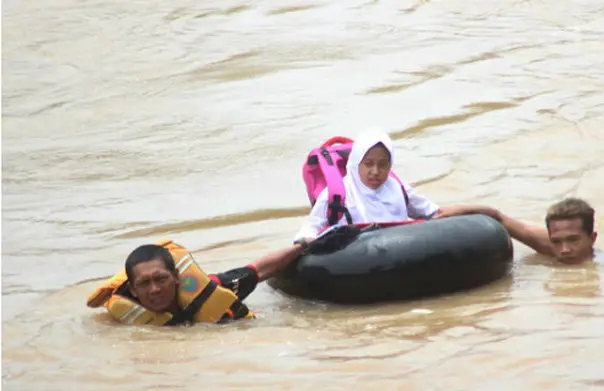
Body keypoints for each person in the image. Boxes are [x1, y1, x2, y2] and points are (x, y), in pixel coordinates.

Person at [294, 128, 489, 241]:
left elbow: (432, 212)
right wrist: (307, 241)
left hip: (400, 249)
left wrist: (474, 215)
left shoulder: (398, 188)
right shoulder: (336, 195)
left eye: (383, 164)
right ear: (355, 164)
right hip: (353, 257)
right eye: (368, 164)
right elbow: (309, 229)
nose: (375, 172)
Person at [86, 239, 307, 326]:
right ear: (133, 290)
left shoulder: (210, 290)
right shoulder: (118, 320)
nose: (154, 289)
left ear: (175, 277)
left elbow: (257, 270)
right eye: (144, 284)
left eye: (161, 279)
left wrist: (302, 247)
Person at [441, 198, 598, 265]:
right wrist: (460, 210)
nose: (564, 250)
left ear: (592, 238)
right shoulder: (547, 247)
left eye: (573, 240)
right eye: (556, 241)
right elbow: (499, 218)